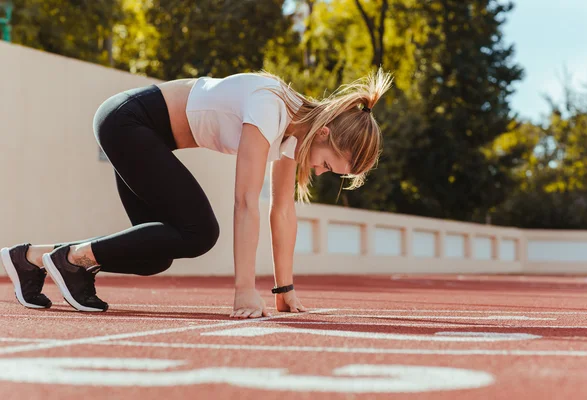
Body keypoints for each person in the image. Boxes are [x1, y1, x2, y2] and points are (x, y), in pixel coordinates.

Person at [0, 69, 393, 318]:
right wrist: (243, 292)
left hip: (144, 135)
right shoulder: (271, 107)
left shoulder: (295, 136)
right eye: (326, 164)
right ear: (324, 134)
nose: (318, 170)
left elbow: (282, 210)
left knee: (153, 257)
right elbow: (245, 202)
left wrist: (283, 290)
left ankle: (31, 259)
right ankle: (72, 260)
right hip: (129, 121)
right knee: (201, 231)